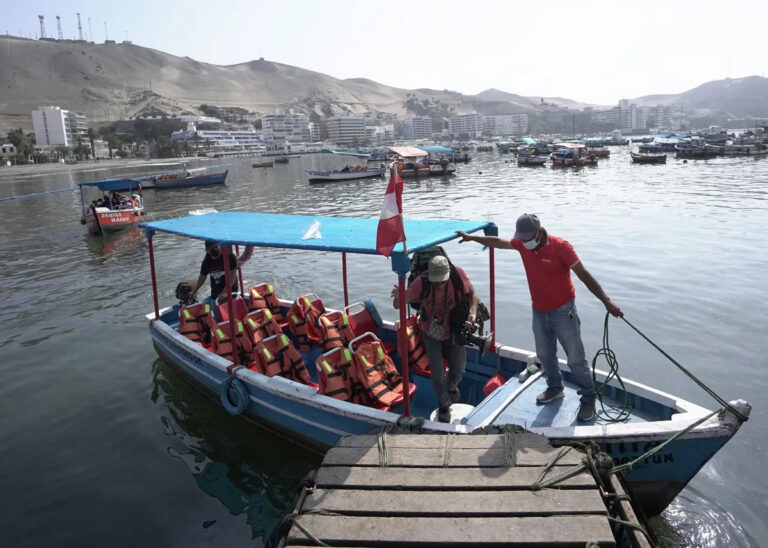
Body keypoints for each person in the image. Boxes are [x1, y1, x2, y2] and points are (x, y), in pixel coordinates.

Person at [457, 213, 622, 422]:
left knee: (576, 359)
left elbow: (583, 274)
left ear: (538, 232)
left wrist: (607, 301)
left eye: (527, 238)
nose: (524, 242)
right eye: (522, 238)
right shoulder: (521, 244)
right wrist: (473, 238)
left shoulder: (560, 247)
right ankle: (555, 387)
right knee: (545, 354)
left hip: (564, 311)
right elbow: (498, 242)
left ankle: (588, 397)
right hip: (539, 310)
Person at [391, 255, 477, 423]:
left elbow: (472, 294)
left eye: (442, 281)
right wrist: (398, 296)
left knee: (459, 369)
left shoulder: (458, 275)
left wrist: (472, 314)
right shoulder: (421, 283)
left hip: (454, 328)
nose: (438, 284)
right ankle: (444, 405)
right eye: (435, 281)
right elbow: (397, 305)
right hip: (430, 331)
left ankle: (451, 388)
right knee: (437, 374)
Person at [190, 240, 254, 302]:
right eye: (212, 248)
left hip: (231, 291)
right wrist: (194, 291)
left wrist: (225, 291)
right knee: (211, 309)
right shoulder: (206, 262)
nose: (215, 249)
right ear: (207, 250)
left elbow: (232, 276)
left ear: (220, 246)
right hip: (215, 292)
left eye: (216, 247)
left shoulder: (230, 257)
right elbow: (202, 277)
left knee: (229, 310)